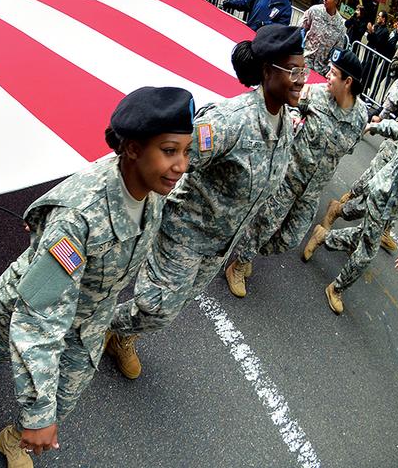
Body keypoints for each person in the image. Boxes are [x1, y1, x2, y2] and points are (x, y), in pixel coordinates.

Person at [0, 87, 194, 467]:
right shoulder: (79, 216)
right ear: (133, 149)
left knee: (65, 397)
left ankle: (15, 441)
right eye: (170, 151)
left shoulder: (155, 183)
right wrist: (39, 414)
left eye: (186, 151)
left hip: (89, 318)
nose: (181, 165)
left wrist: (42, 416)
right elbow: (39, 315)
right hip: (32, 304)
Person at [106, 25, 303, 379]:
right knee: (159, 307)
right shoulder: (230, 123)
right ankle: (97, 326)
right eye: (295, 71)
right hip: (184, 231)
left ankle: (122, 334)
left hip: (217, 246)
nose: (302, 80)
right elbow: (160, 158)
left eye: (304, 71)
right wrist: (111, 207)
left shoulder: (284, 126)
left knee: (173, 304)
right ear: (267, 71)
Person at [226, 48, 368, 297]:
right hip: (288, 176)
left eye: (333, 74)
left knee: (289, 239)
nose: (327, 76)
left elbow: (349, 148)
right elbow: (288, 104)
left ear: (348, 82)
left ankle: (249, 250)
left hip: (312, 191)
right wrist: (292, 118)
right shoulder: (315, 93)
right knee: (264, 224)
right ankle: (238, 265)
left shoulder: (361, 117)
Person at [303, 121, 398, 314]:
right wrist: (374, 126)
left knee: (360, 236)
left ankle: (323, 236)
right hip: (383, 196)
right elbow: (396, 128)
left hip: (390, 205)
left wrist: (376, 126)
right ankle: (336, 288)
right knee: (366, 253)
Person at [301, 0, 349, 74]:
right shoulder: (314, 11)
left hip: (321, 71)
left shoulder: (340, 25)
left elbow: (337, 51)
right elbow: (300, 31)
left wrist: (329, 70)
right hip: (305, 62)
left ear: (336, 1)